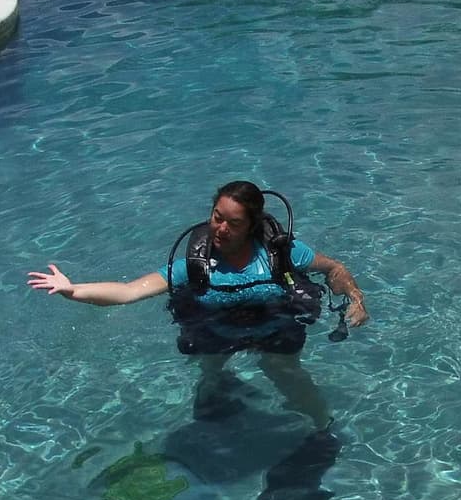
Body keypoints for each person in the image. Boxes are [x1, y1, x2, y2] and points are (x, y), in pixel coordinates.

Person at [27, 180, 368, 431]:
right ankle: (217, 389)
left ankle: (323, 428)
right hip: (215, 322)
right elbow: (129, 291)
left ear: (252, 225)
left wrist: (355, 298)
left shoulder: (280, 252)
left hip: (273, 320)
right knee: (212, 371)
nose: (220, 228)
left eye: (233, 223)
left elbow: (333, 268)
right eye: (216, 217)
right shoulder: (195, 264)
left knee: (286, 372)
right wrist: (73, 289)